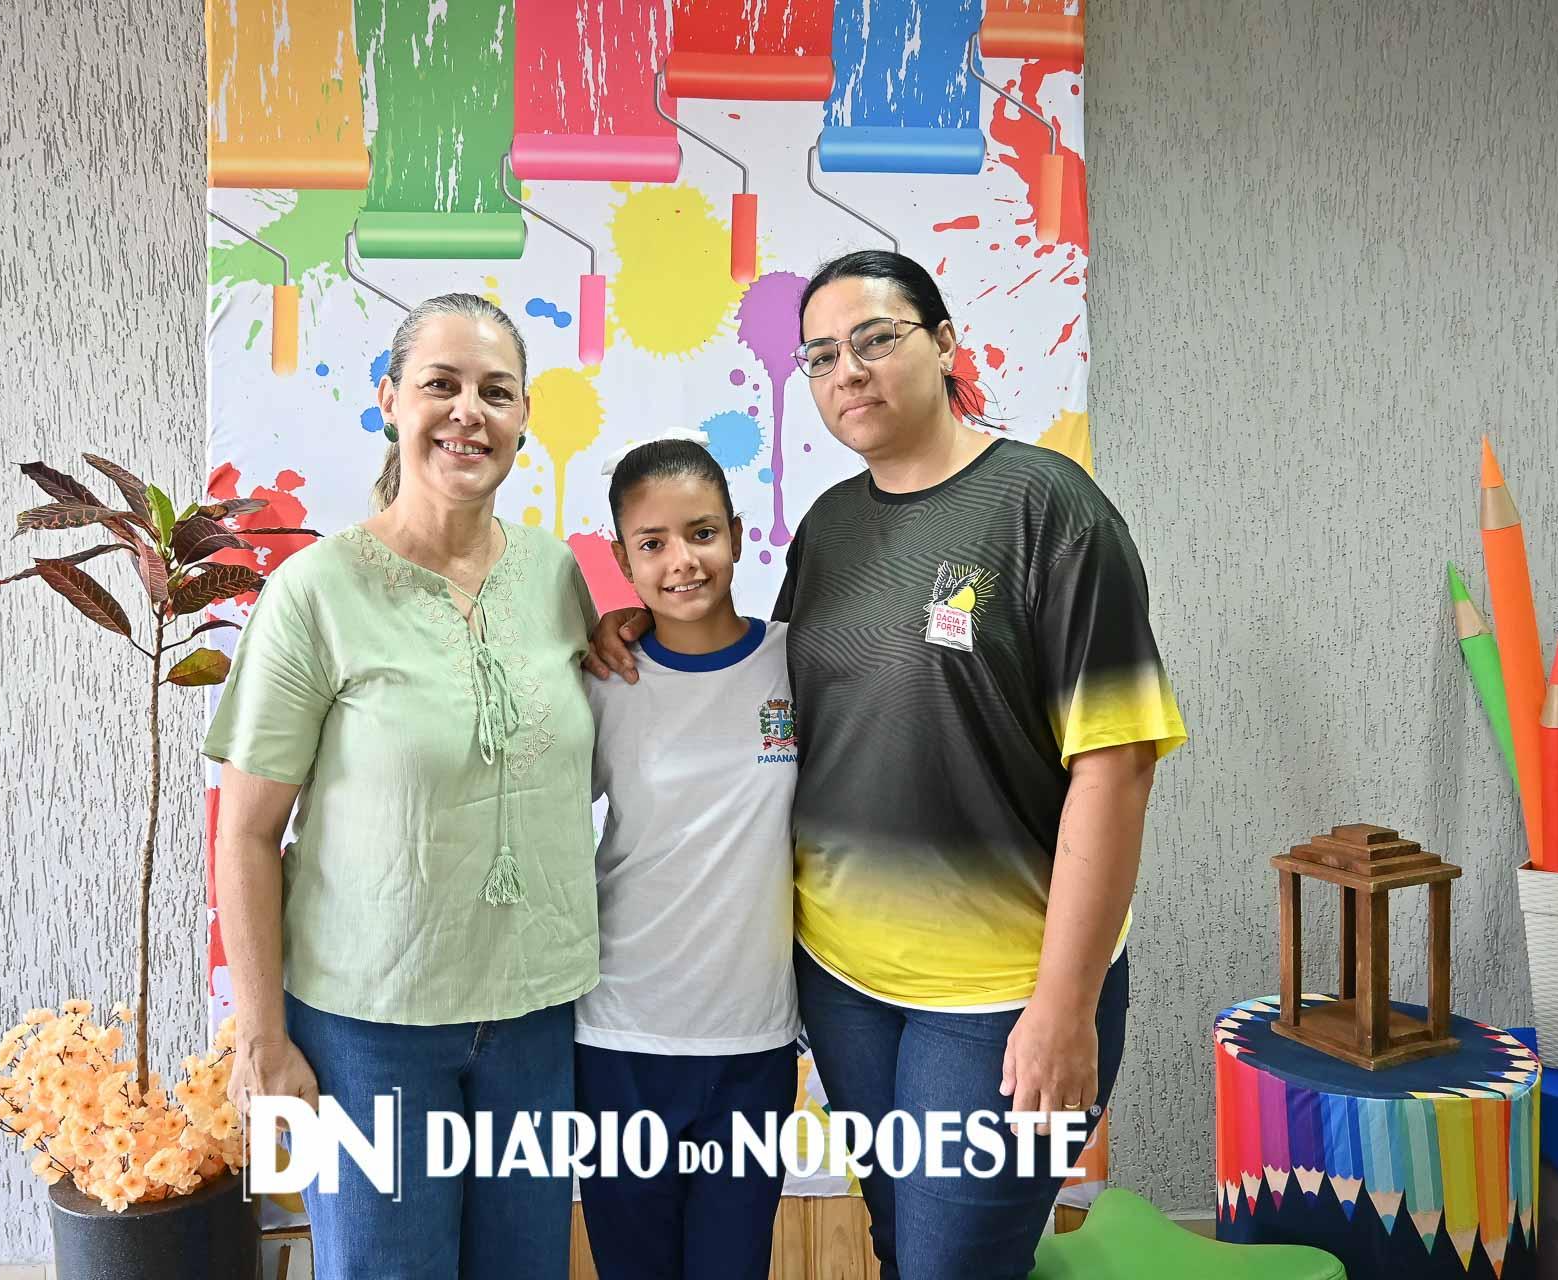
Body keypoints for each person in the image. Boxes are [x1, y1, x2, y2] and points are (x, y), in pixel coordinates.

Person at [587, 250, 1186, 1280]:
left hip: (1003, 989)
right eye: (821, 356)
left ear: (945, 343)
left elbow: (1118, 764)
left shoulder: (1049, 506)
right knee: (903, 1242)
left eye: (875, 339)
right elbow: (761, 688)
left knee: (953, 1260)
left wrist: (1064, 1003)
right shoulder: (831, 527)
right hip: (845, 981)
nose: (848, 371)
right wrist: (636, 625)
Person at [208, 293, 598, 1280]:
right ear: (390, 400)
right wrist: (262, 1039)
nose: (469, 411)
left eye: (496, 391)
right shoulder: (316, 593)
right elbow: (246, 832)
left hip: (534, 1017)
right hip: (368, 1028)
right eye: (441, 384)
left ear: (523, 418)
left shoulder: (557, 576)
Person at [575, 436, 801, 1280]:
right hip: (621, 1037)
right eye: (653, 542)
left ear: (737, 535)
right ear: (622, 560)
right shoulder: (604, 679)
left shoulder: (797, 662)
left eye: (702, 533)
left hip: (754, 1041)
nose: (682, 561)